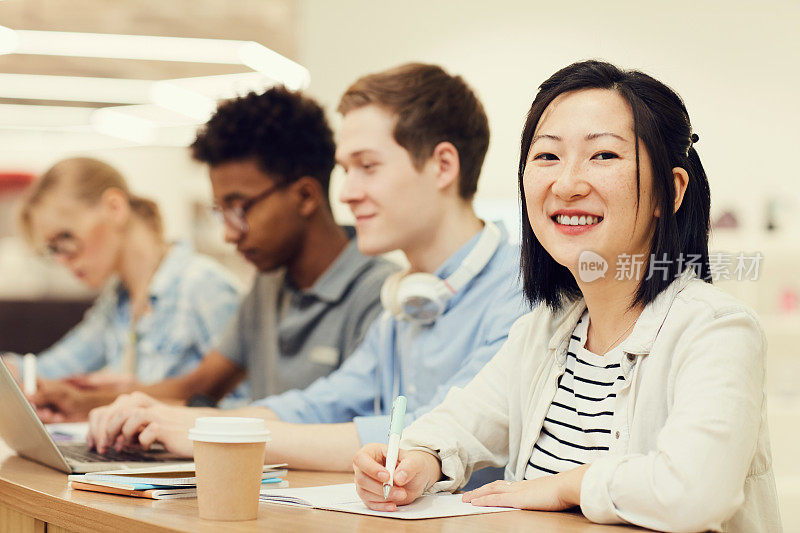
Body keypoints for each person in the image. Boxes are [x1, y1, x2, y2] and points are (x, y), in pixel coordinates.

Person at [352, 60, 782, 533]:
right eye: (547, 157)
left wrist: (567, 486)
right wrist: (415, 462)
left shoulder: (717, 329)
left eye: (603, 156)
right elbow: (455, 426)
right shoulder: (544, 331)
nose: (567, 184)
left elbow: (694, 492)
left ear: (670, 190)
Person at [84, 63, 528, 476]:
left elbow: (429, 435)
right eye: (345, 170)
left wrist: (206, 432)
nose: (348, 193)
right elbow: (318, 404)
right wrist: (175, 418)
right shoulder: (406, 301)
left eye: (367, 167)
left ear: (442, 166)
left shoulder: (523, 292)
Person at [26, 87, 396, 419]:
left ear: (305, 196)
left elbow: (355, 427)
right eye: (220, 211)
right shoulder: (268, 285)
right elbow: (199, 386)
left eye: (240, 208)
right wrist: (84, 403)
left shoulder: (379, 296)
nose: (229, 234)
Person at [3, 157, 241, 419]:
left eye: (65, 238)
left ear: (115, 208)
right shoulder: (118, 301)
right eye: (52, 250)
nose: (62, 259)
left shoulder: (204, 286)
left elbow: (246, 411)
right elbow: (44, 370)